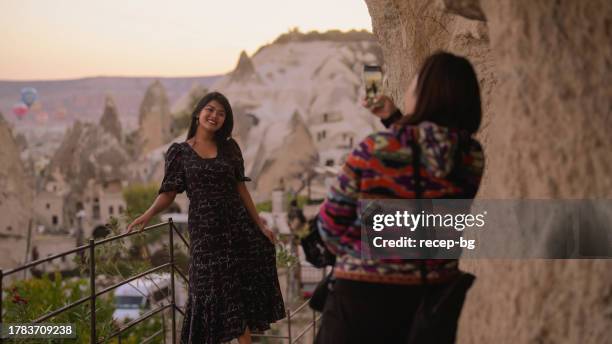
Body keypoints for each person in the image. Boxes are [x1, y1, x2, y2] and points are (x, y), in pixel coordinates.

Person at [315, 51, 485, 344]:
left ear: (425, 93)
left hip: (362, 301)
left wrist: (359, 252)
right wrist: (393, 117)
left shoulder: (375, 147)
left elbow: (329, 228)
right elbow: (427, 154)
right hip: (430, 302)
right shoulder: (471, 157)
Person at [127, 92, 285, 344]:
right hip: (205, 236)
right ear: (198, 113)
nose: (214, 116)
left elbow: (240, 188)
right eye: (210, 110)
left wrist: (260, 224)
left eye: (221, 113)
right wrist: (147, 214)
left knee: (238, 296)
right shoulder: (179, 152)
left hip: (237, 230)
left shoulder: (230, 148)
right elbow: (169, 193)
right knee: (207, 293)